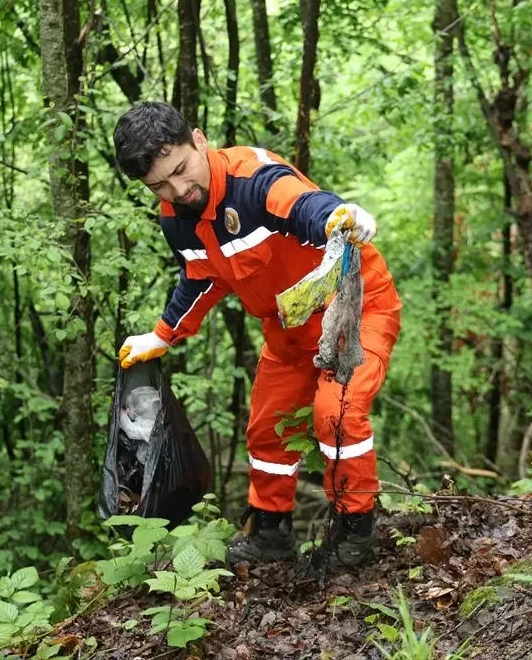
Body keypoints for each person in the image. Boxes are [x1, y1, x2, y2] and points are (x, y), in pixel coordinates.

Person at [113, 101, 402, 574]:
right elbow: (202, 276)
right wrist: (163, 335)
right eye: (159, 184)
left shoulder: (255, 181)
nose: (179, 189)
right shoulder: (175, 215)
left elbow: (306, 205)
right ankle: (270, 533)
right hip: (288, 331)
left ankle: (356, 532)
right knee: (266, 428)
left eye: (183, 169)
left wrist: (339, 217)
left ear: (200, 140)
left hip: (355, 309)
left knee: (337, 413)